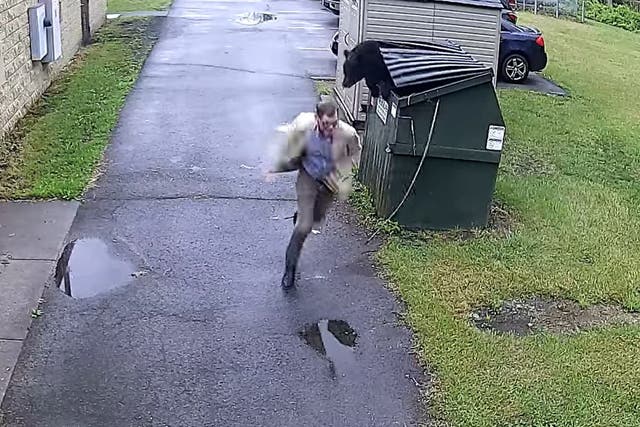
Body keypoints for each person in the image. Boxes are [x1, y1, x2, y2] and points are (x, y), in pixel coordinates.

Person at [268, 99, 361, 289]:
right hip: (308, 176)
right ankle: (290, 271)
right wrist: (275, 168)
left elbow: (355, 156)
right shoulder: (303, 127)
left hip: (330, 181)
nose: (330, 128)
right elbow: (290, 152)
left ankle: (301, 216)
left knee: (316, 218)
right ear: (317, 118)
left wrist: (343, 175)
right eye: (326, 124)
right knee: (304, 226)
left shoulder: (348, 134)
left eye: (334, 123)